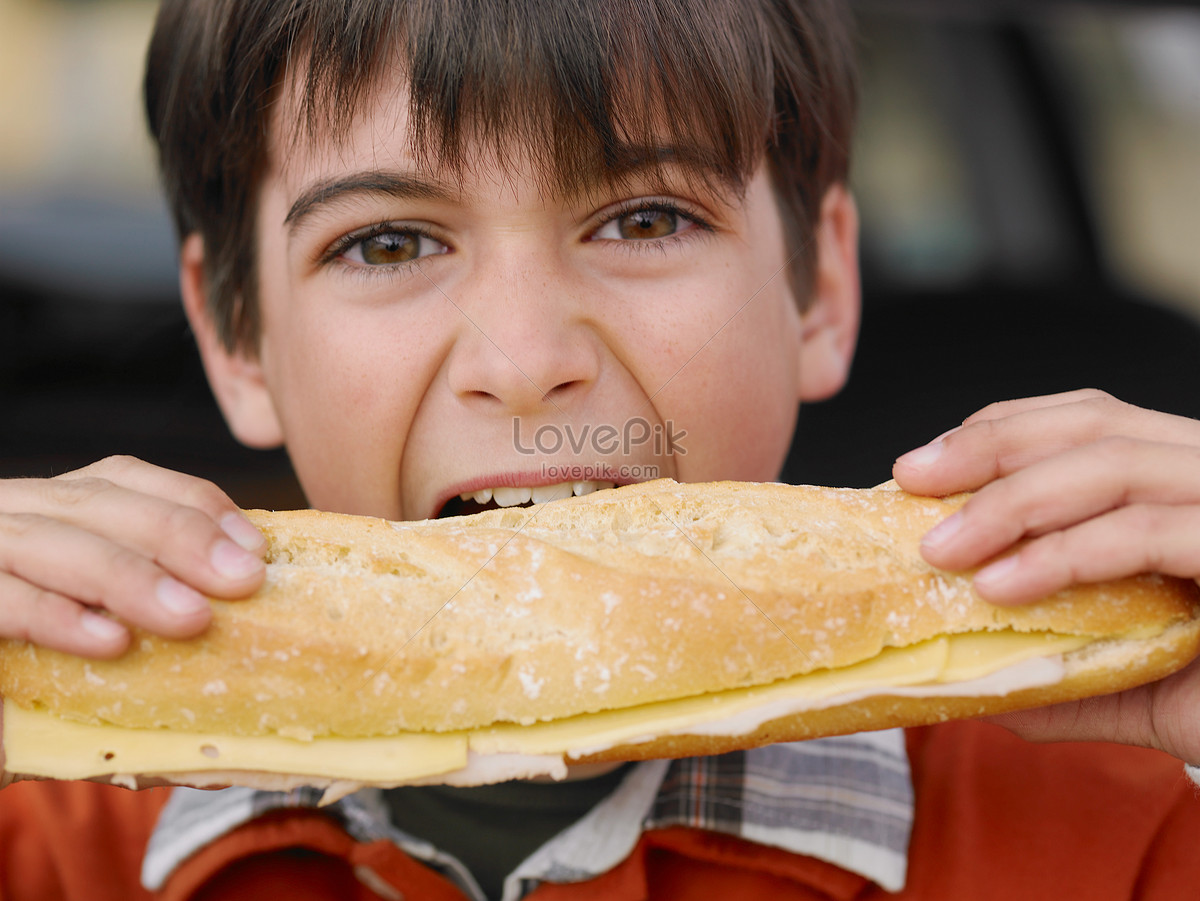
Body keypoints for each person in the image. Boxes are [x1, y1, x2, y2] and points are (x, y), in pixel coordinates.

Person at [2, 0, 1200, 898]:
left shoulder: (1131, 828)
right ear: (237, 336)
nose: (525, 360)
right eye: (387, 244)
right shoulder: (54, 840)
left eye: (644, 217)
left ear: (819, 288)